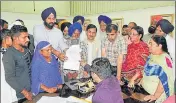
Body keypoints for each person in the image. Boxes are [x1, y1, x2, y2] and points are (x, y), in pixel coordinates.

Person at [2, 25, 32, 102]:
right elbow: (9, 77)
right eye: (24, 37)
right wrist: (25, 92)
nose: (28, 39)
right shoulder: (9, 55)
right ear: (15, 38)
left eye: (27, 37)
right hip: (20, 96)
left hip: (31, 91)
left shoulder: (26, 50)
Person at [141, 35, 175, 103]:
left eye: (151, 43)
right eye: (149, 43)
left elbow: (164, 80)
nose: (148, 45)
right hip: (144, 90)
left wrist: (155, 96)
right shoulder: (152, 55)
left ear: (159, 46)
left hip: (157, 96)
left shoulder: (165, 60)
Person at [0, 29, 18, 103]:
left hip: (12, 89)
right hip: (4, 90)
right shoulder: (2, 56)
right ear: (6, 39)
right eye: (12, 38)